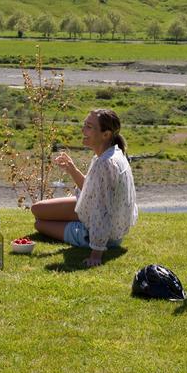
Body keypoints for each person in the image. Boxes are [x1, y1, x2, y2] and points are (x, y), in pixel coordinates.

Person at [31, 109, 138, 267]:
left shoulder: (106, 163)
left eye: (89, 126)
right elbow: (93, 191)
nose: (83, 130)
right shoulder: (109, 154)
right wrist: (72, 169)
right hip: (107, 224)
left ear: (106, 134)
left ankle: (86, 236)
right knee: (37, 209)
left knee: (39, 224)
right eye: (84, 125)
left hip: (105, 235)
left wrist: (96, 253)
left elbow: (102, 210)